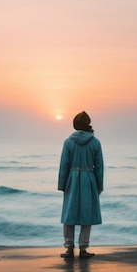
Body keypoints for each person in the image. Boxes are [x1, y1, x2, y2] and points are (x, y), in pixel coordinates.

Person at [57, 111, 104, 259]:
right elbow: (99, 166)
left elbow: (63, 165)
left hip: (72, 178)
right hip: (89, 178)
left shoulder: (68, 142)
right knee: (87, 214)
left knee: (69, 214)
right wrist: (99, 185)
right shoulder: (95, 142)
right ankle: (83, 248)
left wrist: (62, 184)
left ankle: (69, 248)